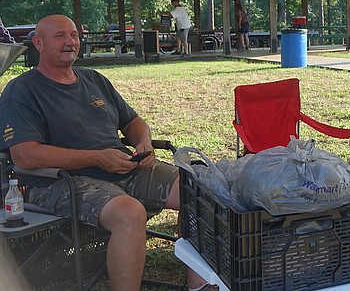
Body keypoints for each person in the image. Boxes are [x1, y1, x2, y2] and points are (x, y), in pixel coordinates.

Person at [0, 15, 216, 291]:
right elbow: (25, 156)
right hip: (58, 181)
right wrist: (97, 158)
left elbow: (133, 122)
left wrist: (144, 144)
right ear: (38, 43)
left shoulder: (94, 80)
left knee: (199, 192)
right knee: (129, 213)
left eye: (75, 35)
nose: (70, 42)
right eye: (60, 36)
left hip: (123, 168)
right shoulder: (22, 90)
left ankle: (199, 284)